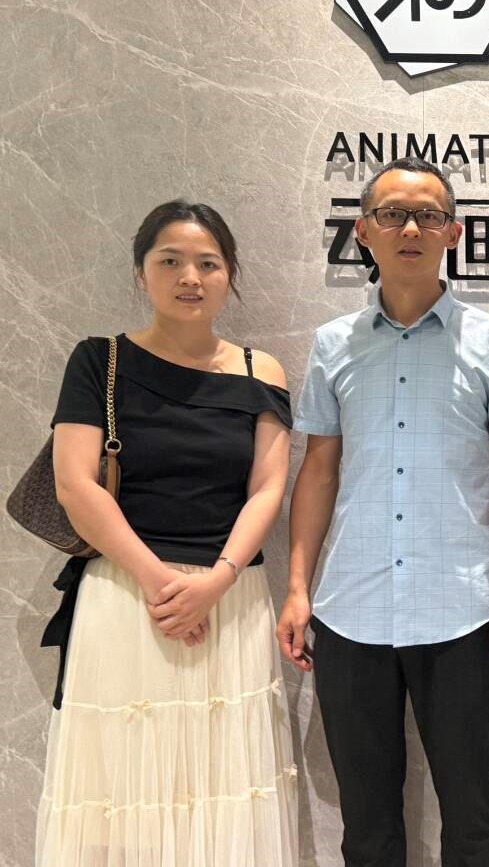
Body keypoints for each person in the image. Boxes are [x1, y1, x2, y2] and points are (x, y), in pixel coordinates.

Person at [277, 157, 489, 867]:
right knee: (366, 826)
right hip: (351, 610)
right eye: (393, 214)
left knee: (472, 820)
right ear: (363, 231)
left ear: (453, 233)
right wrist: (299, 588)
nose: (410, 229)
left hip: (462, 611)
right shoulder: (333, 345)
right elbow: (319, 470)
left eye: (428, 216)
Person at [37, 201, 298, 866]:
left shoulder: (261, 372)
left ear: (229, 274)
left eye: (208, 264)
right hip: (127, 597)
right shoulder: (99, 361)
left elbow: (268, 488)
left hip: (229, 600)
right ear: (141, 272)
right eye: (171, 261)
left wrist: (216, 581)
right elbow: (75, 485)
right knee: (123, 793)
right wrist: (160, 581)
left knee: (221, 792)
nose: (190, 277)